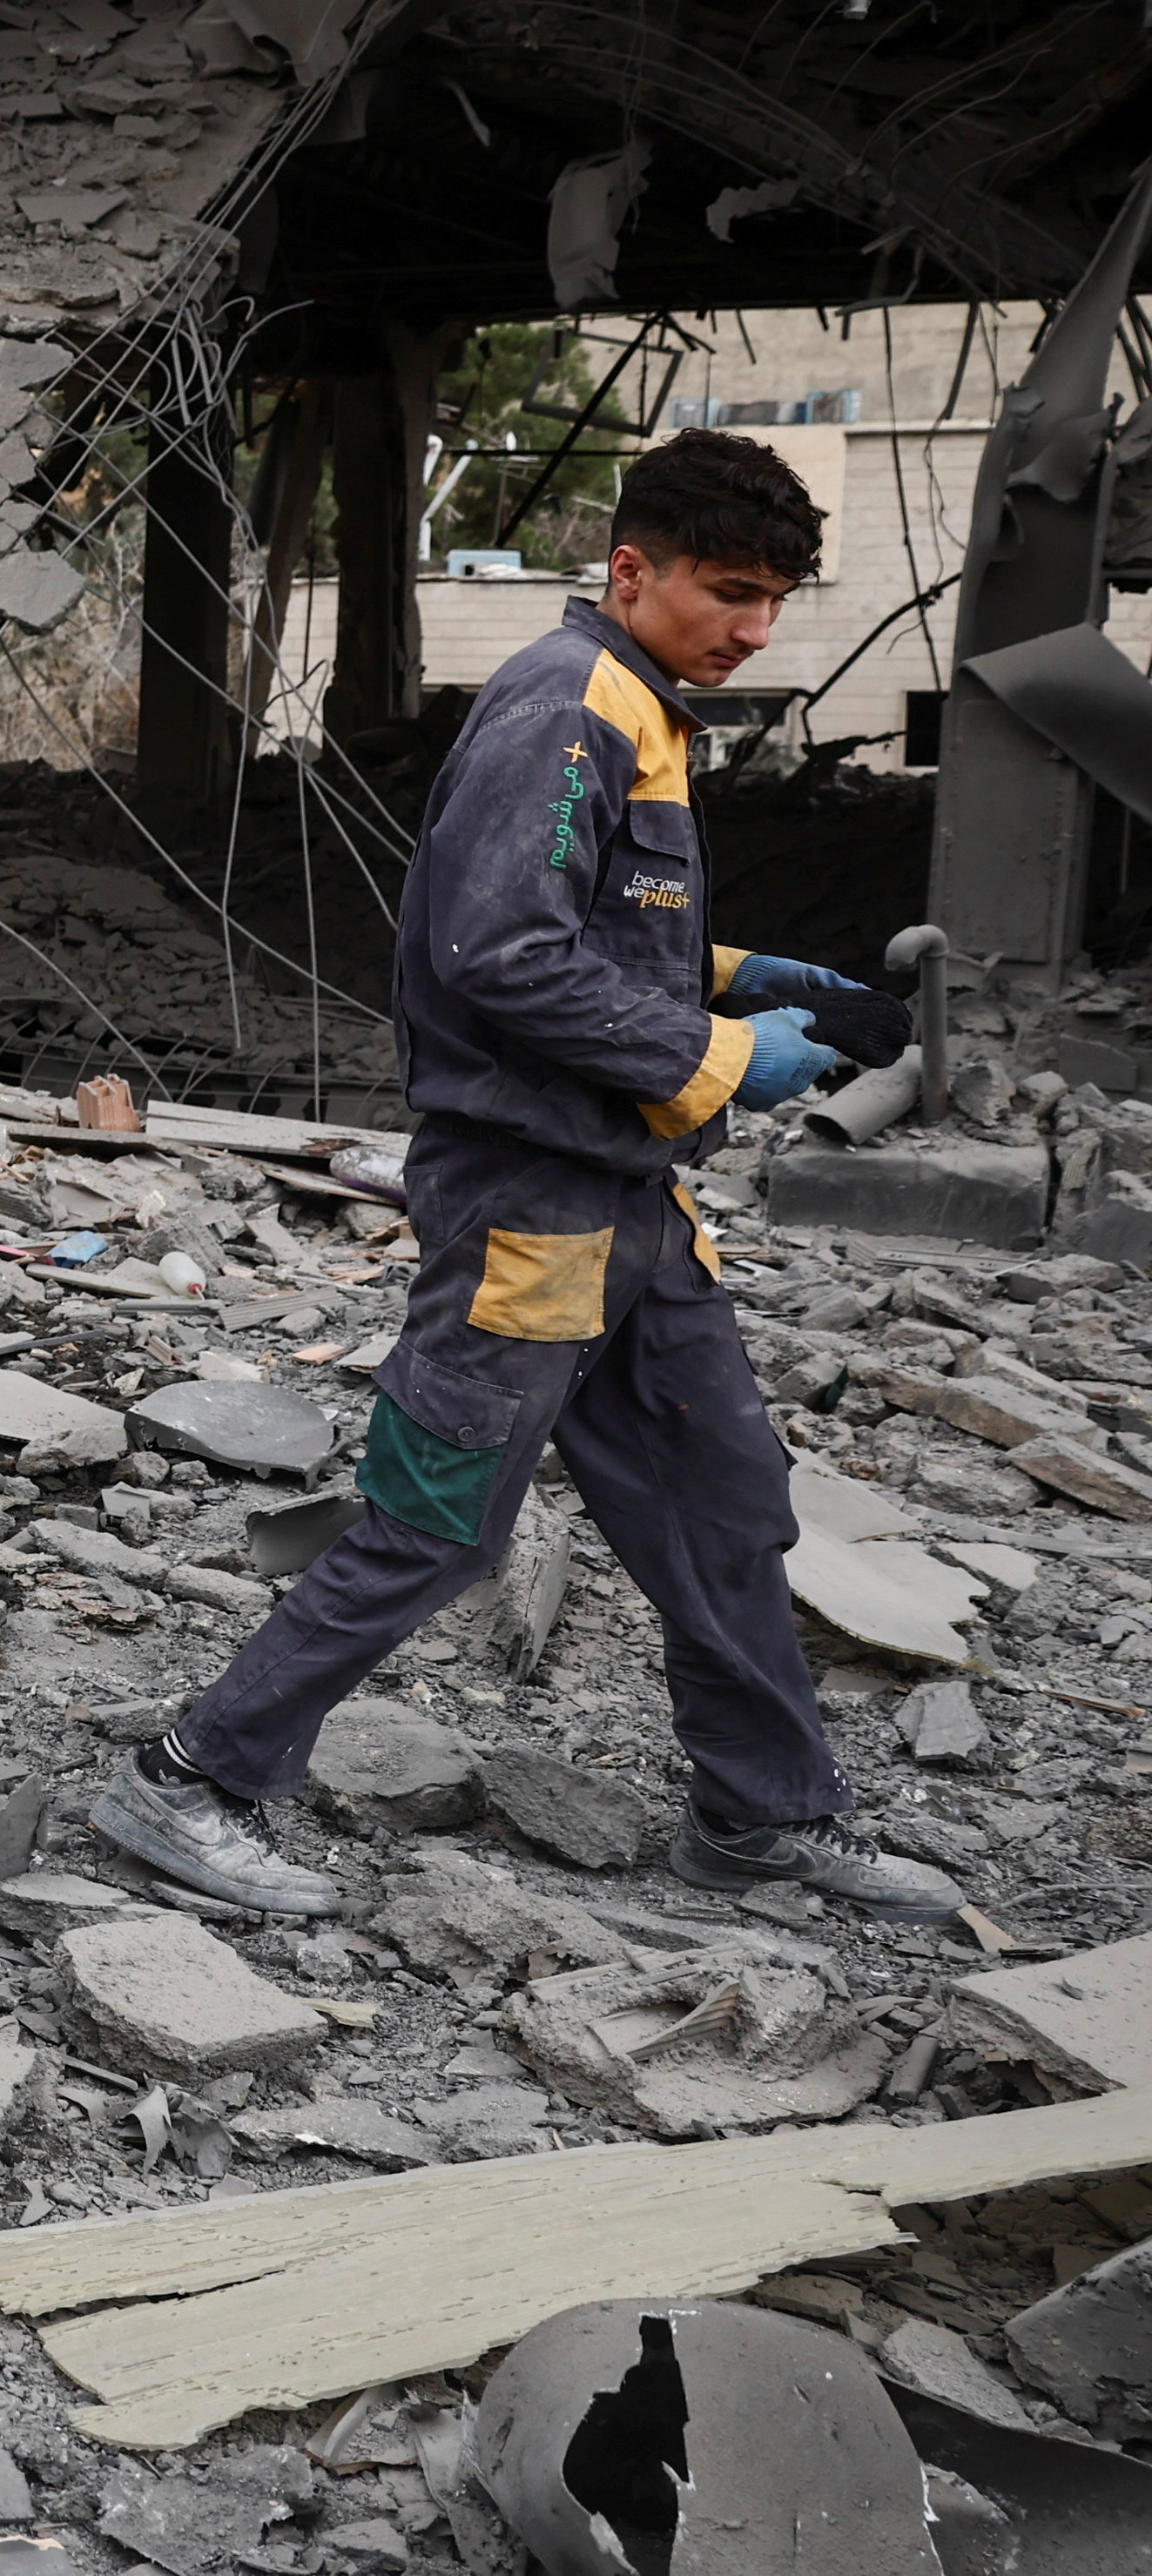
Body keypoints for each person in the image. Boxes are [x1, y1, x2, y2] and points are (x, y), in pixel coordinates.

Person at [91, 427, 963, 1927]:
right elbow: (497, 954)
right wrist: (722, 1059)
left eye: (776, 602)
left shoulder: (643, 707)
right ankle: (191, 1779)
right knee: (438, 1517)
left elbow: (598, 932)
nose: (754, 629)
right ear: (633, 571)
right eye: (731, 592)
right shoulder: (568, 708)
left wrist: (755, 978)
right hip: (532, 1211)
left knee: (721, 1504)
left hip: (636, 1211)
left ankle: (761, 1818)